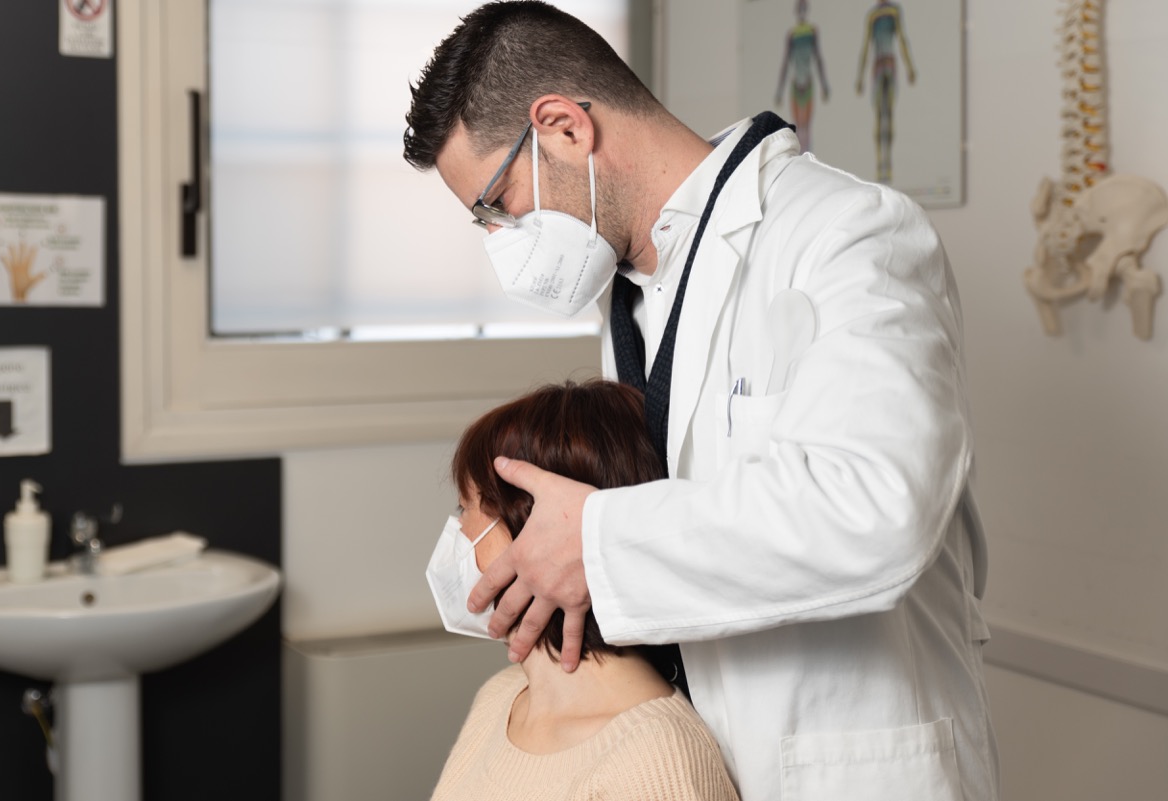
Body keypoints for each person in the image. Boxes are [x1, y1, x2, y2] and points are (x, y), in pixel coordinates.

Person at [404, 3, 999, 800]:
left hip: (847, 765)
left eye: (497, 204)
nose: (501, 239)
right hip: (689, 761)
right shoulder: (631, 294)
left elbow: (879, 507)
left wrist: (599, 547)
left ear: (565, 128)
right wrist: (523, 555)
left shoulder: (848, 234)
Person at [427, 380, 739, 801]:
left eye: (464, 508)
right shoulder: (500, 700)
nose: (457, 532)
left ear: (534, 526)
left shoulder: (653, 758)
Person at [855, 0, 917, 184]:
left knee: (887, 115)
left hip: (886, 65)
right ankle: (880, 163)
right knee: (880, 115)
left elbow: (902, 39)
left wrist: (909, 67)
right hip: (882, 66)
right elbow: (866, 46)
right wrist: (860, 77)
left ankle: (886, 163)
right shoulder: (874, 15)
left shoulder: (893, 11)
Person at [774, 0, 830, 154]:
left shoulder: (812, 32)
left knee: (805, 126)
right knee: (800, 125)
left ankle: (807, 156)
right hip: (797, 83)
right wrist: (779, 91)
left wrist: (824, 84)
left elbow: (818, 58)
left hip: (806, 82)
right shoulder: (792, 35)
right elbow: (786, 62)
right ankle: (803, 156)